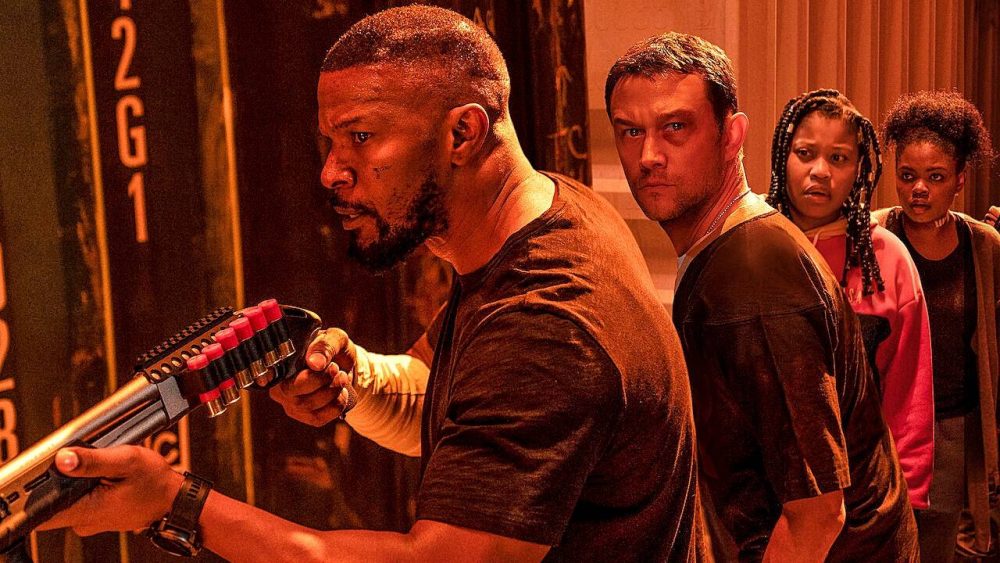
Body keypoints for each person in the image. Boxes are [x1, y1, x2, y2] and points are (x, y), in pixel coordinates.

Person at [39, 6, 704, 561]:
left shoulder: (544, 321)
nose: (331, 172)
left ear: (463, 133)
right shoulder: (553, 214)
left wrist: (175, 503)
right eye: (331, 142)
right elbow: (437, 395)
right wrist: (354, 379)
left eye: (361, 137)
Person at [605, 32, 918, 561]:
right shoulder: (730, 250)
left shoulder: (754, 278)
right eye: (631, 131)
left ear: (733, 136)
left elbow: (817, 515)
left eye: (675, 127)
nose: (649, 155)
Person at [766, 89, 934, 511]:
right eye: (806, 153)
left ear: (858, 168)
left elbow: (909, 393)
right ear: (784, 157)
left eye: (838, 158)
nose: (820, 171)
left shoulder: (888, 260)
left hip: (867, 496)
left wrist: (908, 499)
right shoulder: (750, 249)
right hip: (762, 496)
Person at [874, 89, 999, 562]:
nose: (919, 189)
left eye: (935, 177)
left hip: (952, 431)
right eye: (907, 176)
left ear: (960, 179)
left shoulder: (983, 246)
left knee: (938, 549)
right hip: (886, 428)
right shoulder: (874, 238)